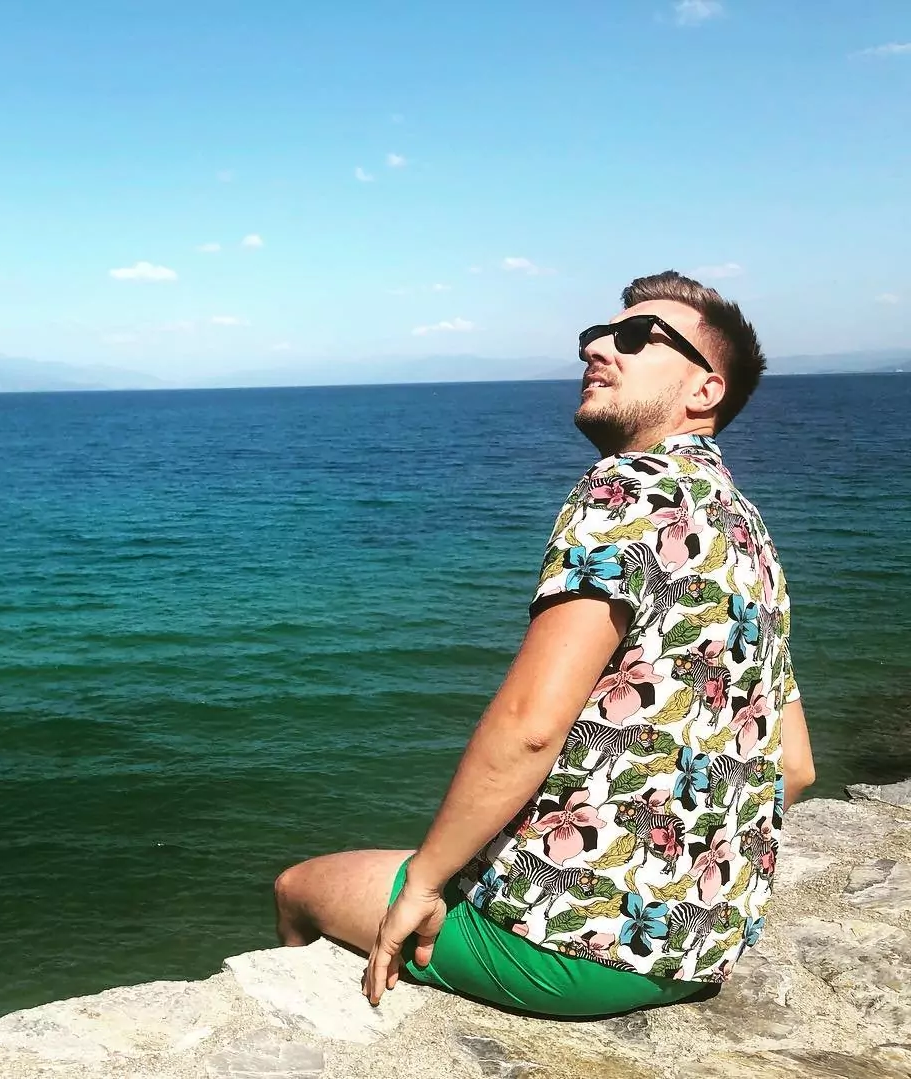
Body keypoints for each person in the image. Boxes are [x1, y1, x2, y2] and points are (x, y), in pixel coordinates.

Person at [272, 271, 816, 1019]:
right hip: (703, 948)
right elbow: (795, 765)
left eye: (636, 337)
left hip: (562, 950)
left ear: (705, 390)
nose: (598, 347)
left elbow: (530, 726)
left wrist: (425, 883)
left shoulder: (627, 488)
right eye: (598, 334)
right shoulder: (748, 532)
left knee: (297, 887)